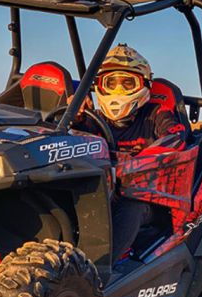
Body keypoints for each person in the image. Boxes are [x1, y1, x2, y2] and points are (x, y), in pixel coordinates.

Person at [77, 44, 186, 261]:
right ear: (100, 86)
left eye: (127, 83)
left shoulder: (156, 114)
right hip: (102, 192)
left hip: (148, 197)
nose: (118, 91)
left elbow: (176, 137)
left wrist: (140, 161)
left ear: (144, 84)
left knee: (130, 207)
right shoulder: (93, 119)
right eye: (111, 83)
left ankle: (102, 267)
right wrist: (76, 119)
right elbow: (74, 142)